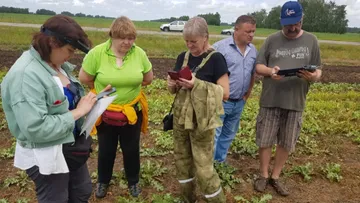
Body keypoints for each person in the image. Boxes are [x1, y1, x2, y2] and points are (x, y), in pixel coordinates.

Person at [1, 15, 98, 202]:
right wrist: (79, 112)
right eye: (69, 50)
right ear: (52, 42)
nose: (71, 56)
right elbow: (36, 128)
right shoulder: (26, 76)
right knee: (56, 198)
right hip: (46, 153)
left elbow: (63, 100)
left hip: (69, 146)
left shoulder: (57, 65)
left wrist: (89, 103)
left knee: (81, 191)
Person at [79, 16, 153, 198]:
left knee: (131, 149)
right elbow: (84, 78)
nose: (127, 42)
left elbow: (148, 79)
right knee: (106, 149)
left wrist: (128, 87)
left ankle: (133, 181)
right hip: (105, 112)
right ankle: (103, 181)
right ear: (112, 36)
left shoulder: (139, 54)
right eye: (123, 38)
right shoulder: (97, 53)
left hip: (131, 112)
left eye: (131, 38)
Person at [253, 1, 322, 196]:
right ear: (282, 21)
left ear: (302, 19)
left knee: (286, 142)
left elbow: (318, 70)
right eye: (287, 24)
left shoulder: (311, 41)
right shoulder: (271, 40)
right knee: (265, 140)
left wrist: (313, 76)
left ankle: (275, 176)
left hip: (295, 101)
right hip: (270, 99)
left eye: (295, 23)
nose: (292, 28)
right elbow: (259, 67)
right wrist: (270, 71)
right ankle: (263, 175)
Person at [167, 16, 229, 203]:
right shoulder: (182, 57)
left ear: (205, 37)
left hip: (202, 122)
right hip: (180, 119)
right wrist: (172, 83)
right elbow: (173, 91)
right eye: (186, 41)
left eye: (193, 41)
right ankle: (187, 198)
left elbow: (225, 93)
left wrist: (196, 84)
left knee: (203, 167)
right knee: (182, 161)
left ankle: (216, 200)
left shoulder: (216, 59)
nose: (189, 45)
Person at [212, 15, 257, 163]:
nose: (251, 35)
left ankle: (220, 161)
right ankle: (208, 168)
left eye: (253, 32)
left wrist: (247, 95)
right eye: (247, 31)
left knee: (228, 134)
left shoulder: (253, 51)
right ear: (236, 29)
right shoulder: (220, 48)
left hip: (239, 102)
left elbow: (252, 74)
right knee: (214, 134)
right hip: (220, 101)